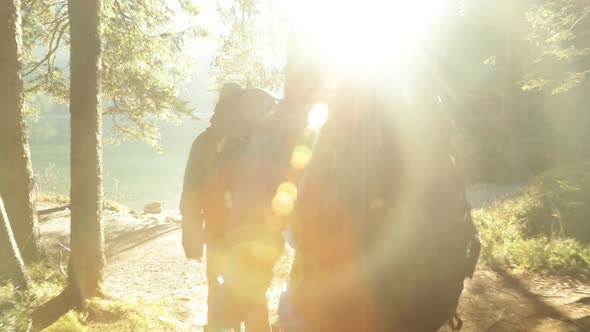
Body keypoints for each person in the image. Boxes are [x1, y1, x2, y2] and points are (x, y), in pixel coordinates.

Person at [180, 81, 245, 332]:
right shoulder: (254, 137)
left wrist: (192, 240)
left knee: (217, 284)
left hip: (218, 224)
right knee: (249, 290)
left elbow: (190, 193)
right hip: (248, 225)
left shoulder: (205, 141)